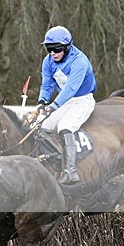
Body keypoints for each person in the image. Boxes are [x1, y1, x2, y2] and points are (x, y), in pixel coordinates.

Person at [36, 25, 97, 184]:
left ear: (67, 47)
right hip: (65, 102)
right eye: (49, 49)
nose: (52, 53)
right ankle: (53, 160)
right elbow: (47, 85)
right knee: (41, 126)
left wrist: (54, 106)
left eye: (56, 49)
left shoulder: (80, 62)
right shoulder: (48, 61)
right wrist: (42, 101)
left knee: (65, 126)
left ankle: (70, 171)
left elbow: (71, 88)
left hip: (83, 100)